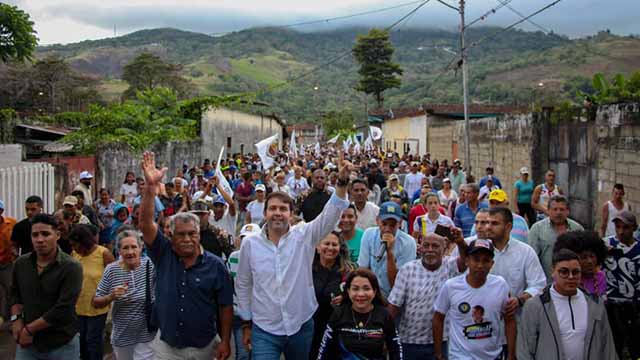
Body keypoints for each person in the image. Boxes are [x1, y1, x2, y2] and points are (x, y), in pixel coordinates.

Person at [235, 157, 350, 360]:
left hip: (301, 325)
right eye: (273, 209)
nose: (277, 213)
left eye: (283, 209)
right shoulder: (250, 244)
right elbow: (243, 284)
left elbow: (330, 215)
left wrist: (340, 184)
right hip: (264, 329)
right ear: (265, 213)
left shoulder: (304, 235)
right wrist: (246, 323)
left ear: (291, 213)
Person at [139, 151, 233, 360]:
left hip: (205, 347)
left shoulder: (216, 265)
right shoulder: (164, 254)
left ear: (200, 234)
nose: (187, 239)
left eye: (192, 234)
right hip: (168, 348)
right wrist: (150, 190)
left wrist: (225, 340)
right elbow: (145, 224)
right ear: (170, 236)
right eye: (181, 234)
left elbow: (225, 305)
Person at [517, 249, 618, 360]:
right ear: (553, 271)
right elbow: (525, 349)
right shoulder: (535, 306)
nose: (570, 277)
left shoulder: (595, 304)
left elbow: (607, 345)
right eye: (564, 272)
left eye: (575, 272)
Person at [9, 213, 83, 359]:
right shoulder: (21, 264)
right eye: (35, 235)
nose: (40, 240)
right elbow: (15, 294)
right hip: (28, 346)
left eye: (45, 234)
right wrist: (16, 319)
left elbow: (64, 308)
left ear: (58, 235)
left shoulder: (71, 267)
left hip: (61, 344)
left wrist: (29, 330)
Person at [387, 231, 468, 360]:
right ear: (420, 247)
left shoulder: (450, 265)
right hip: (409, 340)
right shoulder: (407, 269)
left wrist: (460, 242)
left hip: (442, 341)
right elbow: (394, 305)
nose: (430, 250)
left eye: (435, 246)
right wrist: (384, 334)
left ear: (444, 248)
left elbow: (465, 262)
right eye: (426, 245)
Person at [432, 239, 515, 360]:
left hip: (493, 356)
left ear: (492, 264)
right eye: (476, 259)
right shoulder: (451, 286)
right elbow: (438, 318)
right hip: (460, 356)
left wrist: (511, 355)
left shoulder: (500, 285)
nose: (480, 265)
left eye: (485, 261)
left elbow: (509, 320)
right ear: (467, 261)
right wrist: (438, 353)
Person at [93, 230, 157, 360]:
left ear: (140, 248)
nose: (130, 252)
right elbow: (96, 301)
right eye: (125, 248)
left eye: (134, 247)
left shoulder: (150, 265)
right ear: (119, 251)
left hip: (147, 334)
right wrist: (111, 296)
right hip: (122, 335)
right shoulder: (112, 270)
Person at [317, 268, 403, 360]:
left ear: (374, 291)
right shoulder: (338, 314)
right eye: (355, 289)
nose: (361, 294)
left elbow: (396, 350)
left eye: (366, 288)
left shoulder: (384, 315)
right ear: (348, 291)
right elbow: (324, 349)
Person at [484, 207, 546, 317]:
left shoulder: (525, 252)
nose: (488, 227)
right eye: (487, 223)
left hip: (516, 319)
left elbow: (538, 285)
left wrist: (519, 300)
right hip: (484, 320)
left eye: (494, 223)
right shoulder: (479, 251)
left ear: (508, 227)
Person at [70, 224, 115, 360]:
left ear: (84, 242)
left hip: (97, 307)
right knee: (81, 340)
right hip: (78, 307)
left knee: (93, 341)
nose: (74, 248)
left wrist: (108, 298)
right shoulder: (74, 255)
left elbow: (114, 278)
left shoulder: (103, 254)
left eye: (75, 245)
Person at [310, 231, 354, 359]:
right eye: (326, 244)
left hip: (336, 329)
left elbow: (357, 298)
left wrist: (346, 299)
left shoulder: (348, 272)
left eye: (334, 244)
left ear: (339, 248)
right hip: (311, 328)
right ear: (318, 247)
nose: (330, 248)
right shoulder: (307, 269)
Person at [358, 201, 417, 297]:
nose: (387, 229)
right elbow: (363, 269)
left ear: (400, 223)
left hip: (395, 296)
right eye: (384, 224)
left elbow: (398, 284)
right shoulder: (368, 234)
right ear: (377, 220)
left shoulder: (408, 243)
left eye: (392, 225)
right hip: (372, 292)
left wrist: (390, 253)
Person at [602, 210, 640, 359]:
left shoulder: (638, 249)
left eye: (626, 228)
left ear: (634, 228)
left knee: (634, 345)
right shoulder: (606, 245)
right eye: (618, 227)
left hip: (634, 305)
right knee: (614, 344)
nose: (621, 231)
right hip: (610, 304)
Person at [528, 195, 584, 282]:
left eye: (562, 209)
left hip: (572, 281)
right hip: (546, 282)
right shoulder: (537, 229)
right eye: (555, 209)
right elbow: (532, 258)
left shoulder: (577, 229)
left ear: (568, 211)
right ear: (548, 210)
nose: (558, 212)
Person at [227, 223, 261, 360]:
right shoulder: (233, 257)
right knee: (243, 354)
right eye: (244, 238)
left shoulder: (266, 258)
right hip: (239, 313)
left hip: (261, 314)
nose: (247, 242)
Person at [552, 231, 608, 297]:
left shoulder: (600, 277)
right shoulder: (564, 278)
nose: (589, 261)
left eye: (592, 256)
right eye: (584, 257)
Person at [0, 200, 16, 323]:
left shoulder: (11, 223)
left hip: (7, 263)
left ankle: (12, 318)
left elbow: (16, 240)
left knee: (10, 290)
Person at [206, 176, 237, 241]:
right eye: (216, 206)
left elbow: (231, 203)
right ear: (212, 207)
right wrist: (207, 189)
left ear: (225, 207)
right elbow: (196, 205)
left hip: (228, 249)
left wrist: (218, 185)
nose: (218, 209)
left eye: (221, 206)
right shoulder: (209, 216)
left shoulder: (229, 217)